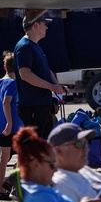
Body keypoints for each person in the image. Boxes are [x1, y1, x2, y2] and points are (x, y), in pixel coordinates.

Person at [15, 10, 67, 138]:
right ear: (36, 25)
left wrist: (56, 85)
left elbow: (46, 70)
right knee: (35, 147)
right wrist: (50, 86)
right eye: (44, 24)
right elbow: (25, 74)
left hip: (41, 104)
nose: (47, 27)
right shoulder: (24, 46)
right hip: (32, 105)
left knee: (43, 145)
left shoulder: (35, 46)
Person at [0, 50, 22, 201]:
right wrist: (10, 122)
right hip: (12, 126)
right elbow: (6, 102)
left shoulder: (0, 82)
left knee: (4, 157)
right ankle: (10, 182)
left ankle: (0, 189)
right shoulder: (13, 83)